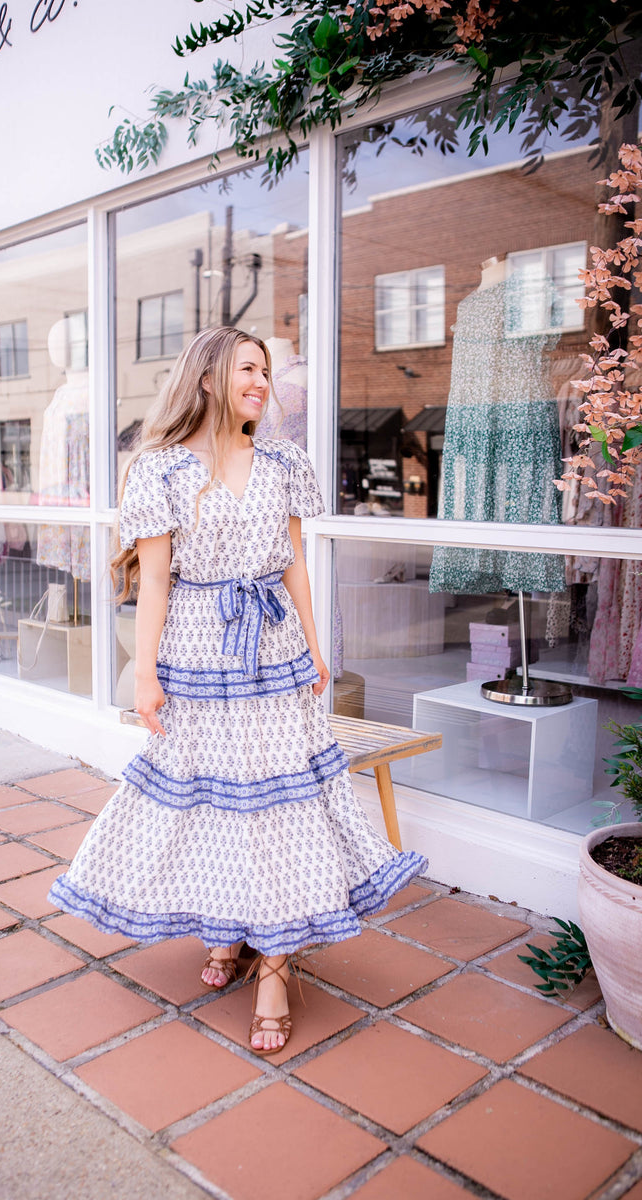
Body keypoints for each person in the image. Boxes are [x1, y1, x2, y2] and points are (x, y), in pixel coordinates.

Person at [48, 326, 427, 1054]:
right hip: (197, 654)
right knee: (214, 803)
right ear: (209, 378)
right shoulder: (159, 470)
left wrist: (318, 649)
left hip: (275, 656)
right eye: (248, 369)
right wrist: (149, 674)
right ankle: (229, 929)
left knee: (281, 810)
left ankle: (276, 970)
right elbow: (155, 581)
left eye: (266, 371)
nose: (262, 382)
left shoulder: (283, 461)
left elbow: (293, 566)